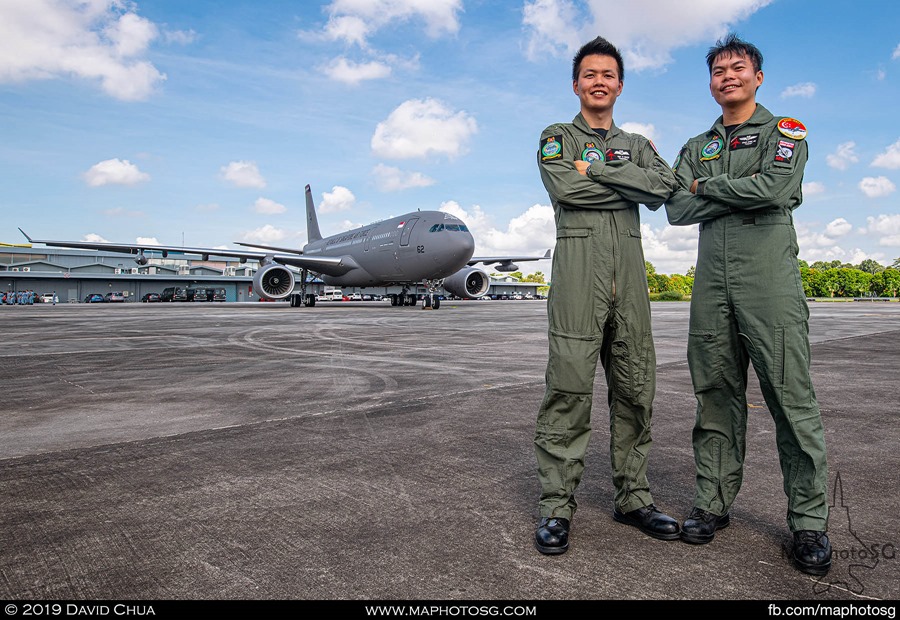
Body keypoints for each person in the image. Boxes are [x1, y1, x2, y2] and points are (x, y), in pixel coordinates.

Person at [664, 34, 831, 575]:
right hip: (711, 287)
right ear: (710, 83)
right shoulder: (696, 143)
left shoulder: (785, 133)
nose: (727, 76)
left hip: (770, 286)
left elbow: (777, 189)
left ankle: (808, 522)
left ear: (758, 77)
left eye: (738, 67)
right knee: (714, 396)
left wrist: (708, 184)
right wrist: (729, 185)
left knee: (790, 400)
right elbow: (676, 209)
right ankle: (712, 503)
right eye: (718, 70)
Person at [533, 36, 679, 555]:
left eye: (608, 75)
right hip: (578, 274)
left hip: (630, 279)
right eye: (589, 74)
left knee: (636, 388)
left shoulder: (638, 143)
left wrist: (596, 168)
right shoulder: (557, 137)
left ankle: (633, 497)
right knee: (569, 389)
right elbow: (565, 190)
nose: (599, 81)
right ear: (576, 84)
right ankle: (556, 506)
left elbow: (664, 188)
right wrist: (628, 185)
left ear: (620, 85)